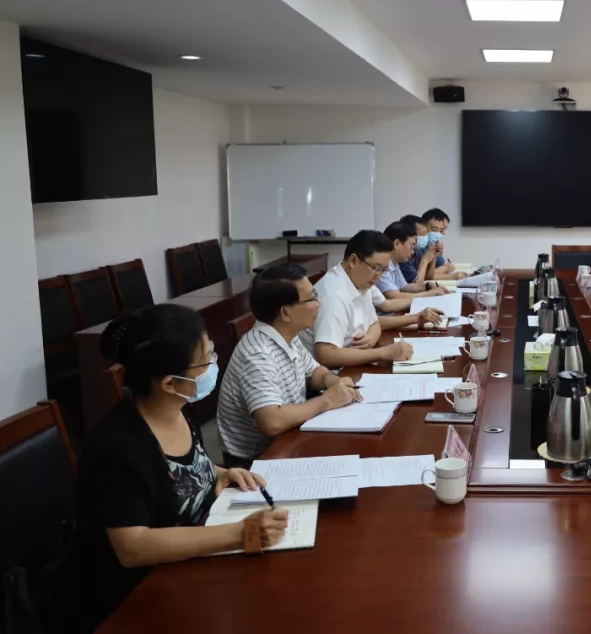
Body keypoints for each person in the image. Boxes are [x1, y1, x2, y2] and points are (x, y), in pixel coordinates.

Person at [78, 304, 289, 629]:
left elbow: (185, 468)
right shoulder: (117, 447)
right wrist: (241, 533)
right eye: (205, 361)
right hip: (143, 597)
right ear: (169, 383)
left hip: (196, 561)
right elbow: (133, 547)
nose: (214, 364)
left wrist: (222, 473)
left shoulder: (178, 407)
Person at [217, 264, 363, 467]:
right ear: (286, 313)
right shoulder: (258, 354)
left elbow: (314, 371)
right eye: (312, 298)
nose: (319, 303)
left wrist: (333, 381)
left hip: (290, 438)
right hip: (256, 461)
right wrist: (327, 400)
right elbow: (272, 422)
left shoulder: (288, 335)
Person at [302, 230, 414, 368]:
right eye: (376, 268)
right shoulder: (333, 295)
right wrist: (383, 353)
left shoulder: (362, 281)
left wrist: (371, 338)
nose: (379, 276)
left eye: (384, 270)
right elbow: (326, 354)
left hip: (354, 363)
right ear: (353, 261)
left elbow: (374, 323)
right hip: (332, 373)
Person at [370, 221, 449, 330]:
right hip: (386, 320)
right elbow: (393, 297)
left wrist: (427, 286)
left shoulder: (394, 263)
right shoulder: (380, 266)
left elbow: (404, 287)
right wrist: (427, 295)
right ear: (396, 244)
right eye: (411, 246)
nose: (413, 252)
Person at [423, 207, 467, 280]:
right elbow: (424, 275)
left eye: (441, 231)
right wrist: (450, 275)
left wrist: (445, 268)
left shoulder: (433, 245)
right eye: (434, 229)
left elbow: (445, 266)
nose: (438, 234)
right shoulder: (418, 247)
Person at [398, 214, 438, 286]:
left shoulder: (417, 250)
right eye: (423, 234)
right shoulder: (403, 255)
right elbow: (417, 284)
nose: (426, 237)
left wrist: (433, 256)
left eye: (426, 234)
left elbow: (428, 277)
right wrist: (425, 260)